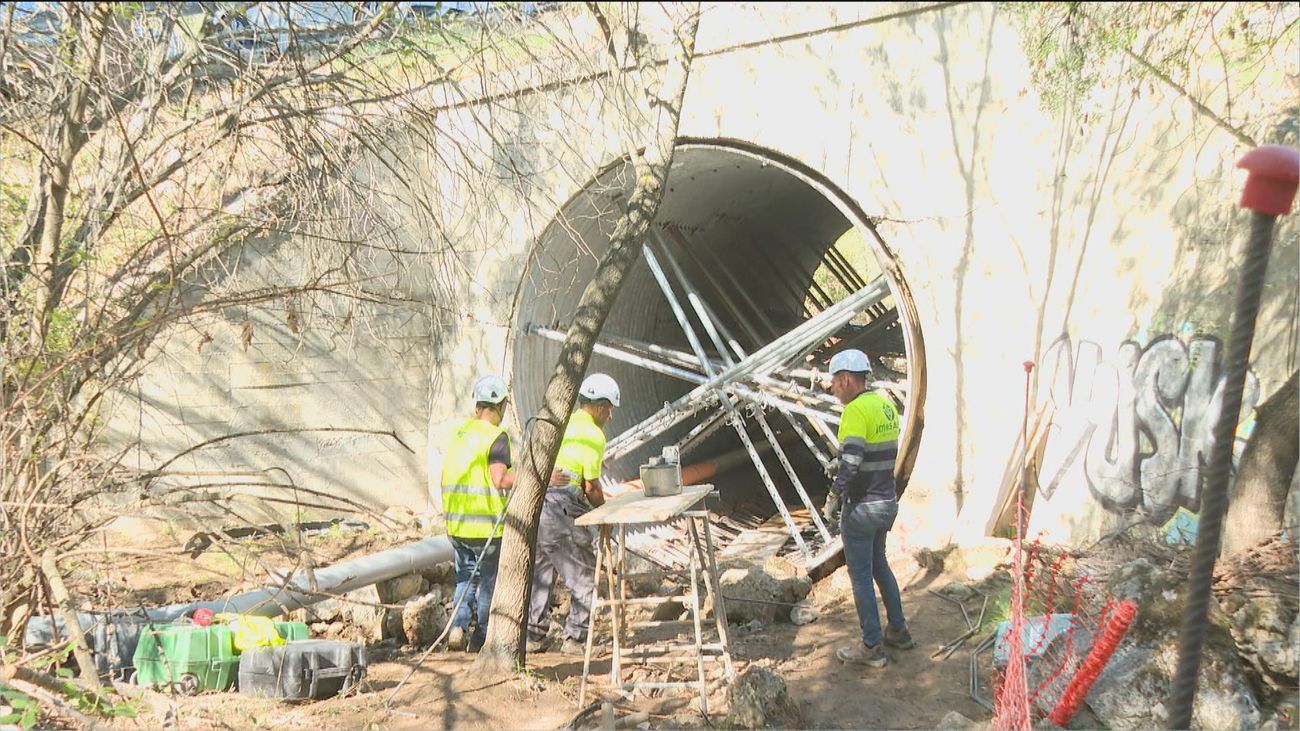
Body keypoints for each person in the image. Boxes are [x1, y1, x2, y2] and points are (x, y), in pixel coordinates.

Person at [822, 348, 914, 668]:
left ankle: (871, 646)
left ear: (847, 379)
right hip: (887, 502)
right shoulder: (885, 405)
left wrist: (834, 494)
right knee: (879, 566)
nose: (832, 389)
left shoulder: (854, 412)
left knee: (860, 577)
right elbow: (874, 451)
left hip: (861, 508)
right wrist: (841, 463)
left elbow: (853, 459)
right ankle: (898, 630)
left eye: (834, 382)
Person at [526, 373, 619, 656]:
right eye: (610, 409)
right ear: (601, 407)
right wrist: (604, 511)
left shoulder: (561, 423)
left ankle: (532, 636)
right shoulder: (593, 435)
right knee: (585, 575)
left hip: (539, 508)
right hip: (563, 511)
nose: (610, 416)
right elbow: (591, 486)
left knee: (542, 572)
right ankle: (576, 639)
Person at [440, 374, 515, 652]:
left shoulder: (460, 434)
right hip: (486, 528)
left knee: (464, 578)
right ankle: (481, 637)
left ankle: (458, 627)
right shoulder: (497, 437)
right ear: (500, 406)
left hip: (457, 525)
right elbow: (500, 479)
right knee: (488, 584)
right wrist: (532, 477)